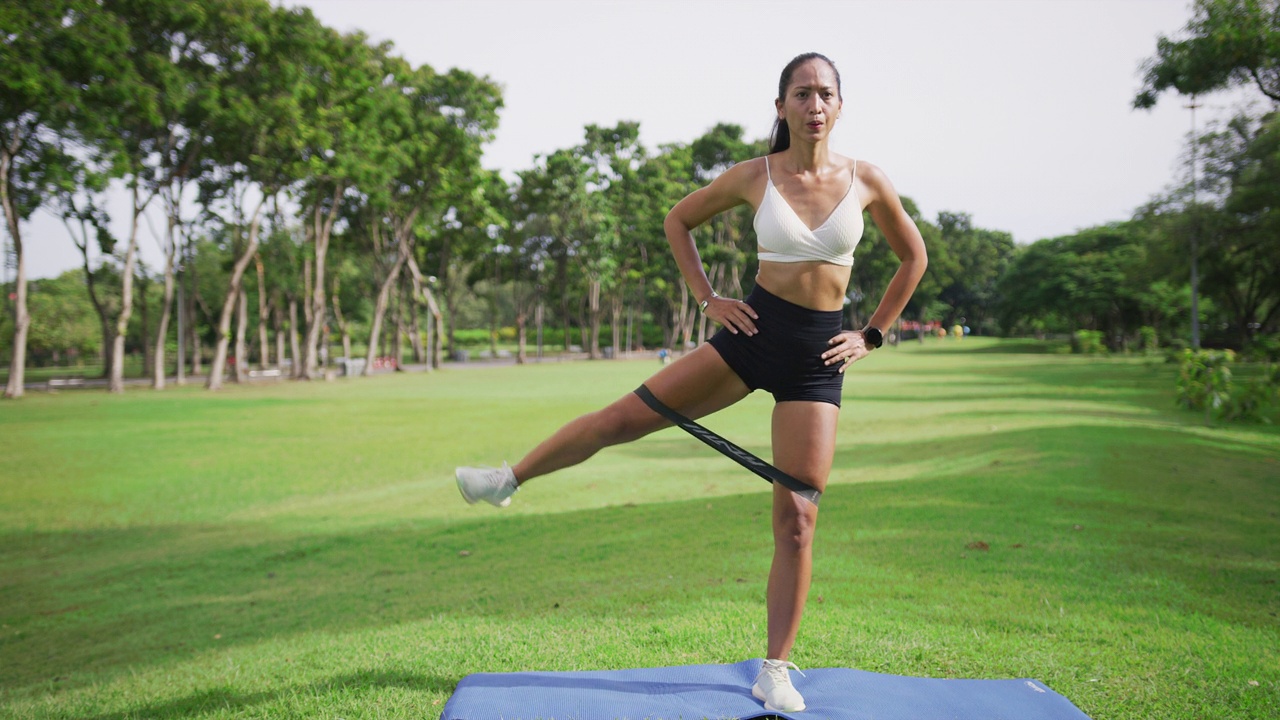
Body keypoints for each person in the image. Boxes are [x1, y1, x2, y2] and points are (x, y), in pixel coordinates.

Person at [455, 52, 927, 714]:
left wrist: (873, 333)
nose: (814, 104)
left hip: (818, 359)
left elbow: (914, 256)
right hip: (752, 338)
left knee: (798, 517)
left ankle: (775, 669)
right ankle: (508, 479)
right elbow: (678, 221)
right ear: (781, 106)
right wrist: (709, 298)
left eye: (824, 94)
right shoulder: (752, 176)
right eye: (801, 93)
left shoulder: (867, 179)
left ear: (840, 106)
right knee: (622, 419)